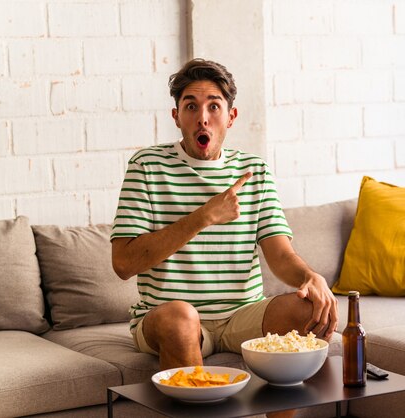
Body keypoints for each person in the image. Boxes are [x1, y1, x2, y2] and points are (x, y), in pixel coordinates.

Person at [110, 59, 338, 389]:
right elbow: (123, 264)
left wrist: (310, 277)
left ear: (231, 117)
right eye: (191, 106)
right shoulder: (146, 166)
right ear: (177, 117)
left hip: (242, 315)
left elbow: (280, 256)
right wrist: (204, 217)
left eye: (214, 106)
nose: (202, 117)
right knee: (181, 318)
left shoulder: (253, 171)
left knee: (306, 310)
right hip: (166, 315)